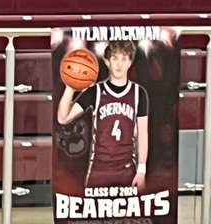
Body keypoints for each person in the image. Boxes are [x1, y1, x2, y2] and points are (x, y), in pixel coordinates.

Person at [57, 41, 149, 191]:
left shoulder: (139, 93)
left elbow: (143, 134)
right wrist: (70, 87)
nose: (119, 64)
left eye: (124, 59)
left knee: (129, 215)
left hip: (127, 170)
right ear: (107, 62)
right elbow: (63, 118)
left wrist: (141, 170)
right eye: (114, 58)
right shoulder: (95, 91)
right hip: (99, 170)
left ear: (130, 63)